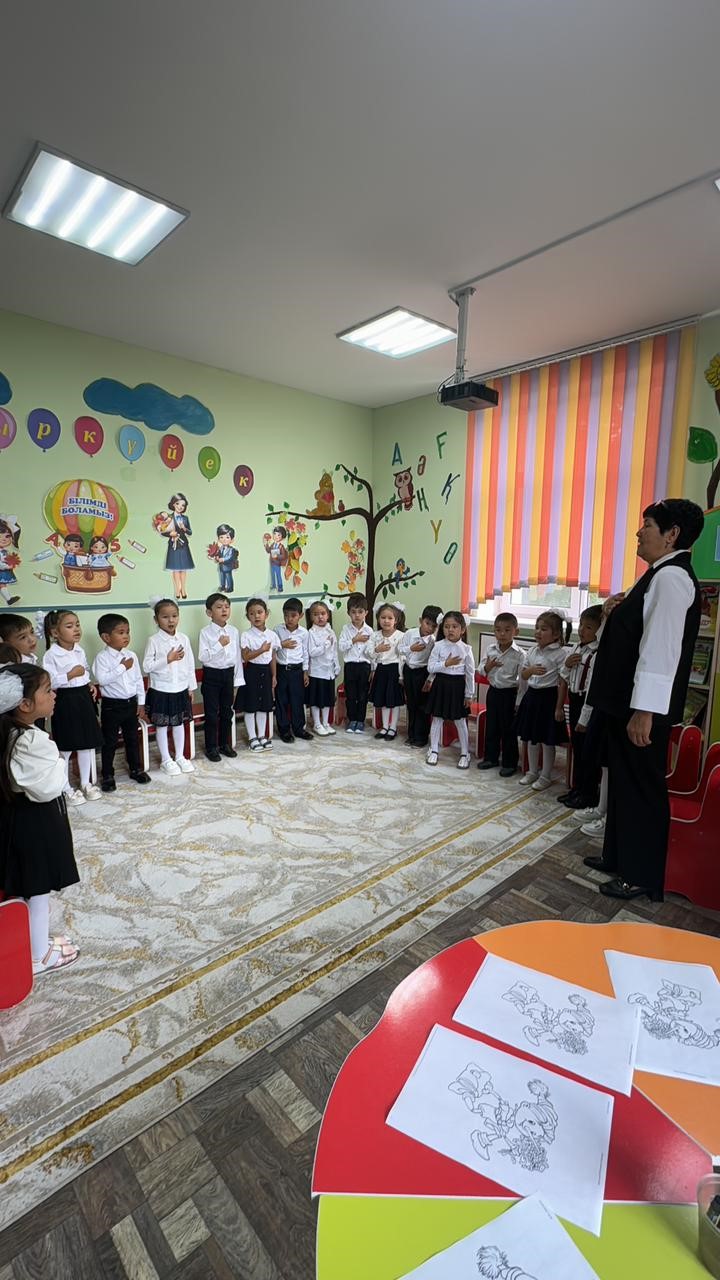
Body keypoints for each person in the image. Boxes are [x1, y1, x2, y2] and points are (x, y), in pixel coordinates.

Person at [584, 498, 704, 902]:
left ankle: (640, 875)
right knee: (623, 782)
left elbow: (660, 649)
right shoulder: (655, 574)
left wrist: (645, 711)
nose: (639, 532)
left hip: (641, 709)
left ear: (672, 534)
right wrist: (611, 611)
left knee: (640, 788)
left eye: (648, 525)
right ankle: (618, 857)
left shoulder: (672, 578)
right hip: (624, 702)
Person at [0, 664, 80, 974]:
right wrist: (58, 761)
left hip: (17, 821)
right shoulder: (30, 741)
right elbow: (49, 787)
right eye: (47, 690)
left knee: (27, 884)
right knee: (37, 888)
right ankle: (39, 956)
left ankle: (34, 942)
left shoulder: (10, 733)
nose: (53, 694)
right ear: (24, 704)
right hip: (35, 824)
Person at [43, 609, 103, 805]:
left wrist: (89, 684)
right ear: (55, 632)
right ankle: (66, 787)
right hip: (64, 701)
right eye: (69, 626)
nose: (76, 629)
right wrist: (69, 675)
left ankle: (85, 783)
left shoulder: (79, 649)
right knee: (66, 746)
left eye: (77, 624)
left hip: (82, 698)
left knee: (86, 743)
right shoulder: (51, 655)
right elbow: (50, 681)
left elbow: (84, 670)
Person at [93, 613, 151, 790]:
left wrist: (141, 703)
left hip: (130, 704)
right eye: (121, 632)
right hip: (112, 706)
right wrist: (122, 667)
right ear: (106, 637)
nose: (126, 636)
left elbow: (138, 680)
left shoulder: (131, 655)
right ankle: (107, 775)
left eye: (127, 632)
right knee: (109, 741)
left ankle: (135, 769)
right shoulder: (102, 658)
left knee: (132, 738)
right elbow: (103, 680)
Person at [515, 611, 571, 791]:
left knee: (547, 741)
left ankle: (546, 775)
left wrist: (559, 708)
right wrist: (531, 670)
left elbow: (562, 683)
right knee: (532, 739)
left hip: (549, 699)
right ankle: (532, 771)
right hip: (532, 698)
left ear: (556, 634)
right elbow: (523, 675)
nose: (538, 632)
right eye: (537, 628)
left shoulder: (560, 654)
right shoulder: (532, 651)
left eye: (544, 629)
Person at [142, 599, 197, 775]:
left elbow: (189, 664)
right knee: (162, 725)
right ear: (156, 619)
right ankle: (166, 759)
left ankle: (180, 756)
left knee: (179, 723)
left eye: (174, 616)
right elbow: (147, 666)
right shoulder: (153, 640)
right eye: (165, 617)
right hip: (161, 690)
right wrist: (167, 659)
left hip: (180, 689)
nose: (171, 620)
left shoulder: (184, 639)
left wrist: (190, 687)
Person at [555, 605, 603, 807]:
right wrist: (567, 665)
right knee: (576, 747)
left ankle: (588, 793)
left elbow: (593, 690)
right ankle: (577, 788)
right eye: (581, 625)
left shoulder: (598, 653)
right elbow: (563, 676)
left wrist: (584, 719)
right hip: (574, 701)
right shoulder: (576, 647)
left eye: (589, 627)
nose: (582, 630)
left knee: (588, 752)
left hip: (587, 705)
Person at [424, 610, 475, 769]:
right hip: (441, 685)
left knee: (460, 720)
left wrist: (469, 694)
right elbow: (431, 667)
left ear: (462, 629)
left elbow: (470, 673)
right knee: (437, 718)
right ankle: (434, 749)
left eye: (454, 626)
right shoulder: (438, 646)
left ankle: (465, 753)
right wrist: (446, 663)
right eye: (446, 626)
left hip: (457, 687)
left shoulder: (466, 649)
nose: (450, 630)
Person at [198, 592, 243, 762]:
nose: (224, 610)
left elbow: (237, 657)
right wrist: (219, 644)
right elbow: (203, 657)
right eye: (219, 607)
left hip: (228, 674)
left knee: (227, 712)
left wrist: (237, 680)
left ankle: (224, 744)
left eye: (227, 606)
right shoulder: (205, 632)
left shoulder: (233, 631)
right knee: (211, 714)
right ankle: (211, 747)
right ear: (209, 612)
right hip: (212, 675)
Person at [478, 612, 523, 776]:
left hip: (509, 694)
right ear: (494, 631)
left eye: (507, 630)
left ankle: (510, 763)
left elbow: (522, 682)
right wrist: (488, 666)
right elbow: (480, 670)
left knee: (508, 729)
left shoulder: (520, 654)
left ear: (516, 632)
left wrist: (518, 702)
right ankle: (491, 758)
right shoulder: (490, 649)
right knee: (492, 726)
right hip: (493, 692)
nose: (502, 634)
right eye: (498, 630)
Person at [400, 604, 442, 747]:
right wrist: (411, 648)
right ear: (420, 620)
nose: (429, 628)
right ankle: (411, 735)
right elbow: (399, 649)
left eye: (433, 626)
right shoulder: (410, 633)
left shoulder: (434, 642)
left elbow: (434, 662)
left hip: (423, 672)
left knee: (422, 706)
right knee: (411, 704)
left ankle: (421, 737)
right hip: (408, 670)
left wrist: (430, 680)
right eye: (427, 623)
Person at [241, 597, 281, 750]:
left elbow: (272, 656)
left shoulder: (272, 635)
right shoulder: (246, 635)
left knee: (264, 706)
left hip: (266, 672)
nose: (256, 616)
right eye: (252, 614)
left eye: (260, 612)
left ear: (266, 614)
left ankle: (262, 736)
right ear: (248, 617)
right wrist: (261, 650)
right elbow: (246, 656)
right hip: (252, 672)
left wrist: (274, 675)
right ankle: (252, 737)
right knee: (251, 706)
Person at [275, 596, 312, 743]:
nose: (289, 619)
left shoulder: (304, 633)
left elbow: (306, 653)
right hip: (282, 670)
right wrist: (281, 644)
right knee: (281, 700)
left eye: (293, 615)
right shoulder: (278, 629)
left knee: (297, 700)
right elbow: (272, 648)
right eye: (286, 615)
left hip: (297, 671)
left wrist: (305, 672)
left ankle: (298, 728)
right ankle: (284, 730)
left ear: (300, 615)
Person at [368, 604, 405, 740]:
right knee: (383, 700)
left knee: (393, 701)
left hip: (394, 671)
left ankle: (393, 728)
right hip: (381, 670)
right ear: (378, 619)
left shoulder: (401, 636)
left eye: (390, 618)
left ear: (396, 620)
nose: (386, 621)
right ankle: (384, 727)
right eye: (383, 617)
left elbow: (402, 657)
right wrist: (377, 649)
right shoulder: (375, 635)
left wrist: (401, 675)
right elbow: (369, 653)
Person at [339, 593, 374, 734]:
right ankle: (352, 719)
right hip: (351, 666)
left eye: (360, 612)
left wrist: (373, 669)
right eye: (353, 612)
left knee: (363, 695)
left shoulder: (369, 631)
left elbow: (372, 652)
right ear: (348, 613)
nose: (357, 615)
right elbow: (341, 647)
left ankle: (360, 720)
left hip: (364, 667)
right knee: (351, 695)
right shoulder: (345, 629)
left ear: (366, 613)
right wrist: (354, 640)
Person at [305, 600, 340, 736]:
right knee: (316, 699)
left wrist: (336, 665)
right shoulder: (311, 633)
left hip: (328, 671)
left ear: (328, 615)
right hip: (316, 671)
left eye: (323, 614)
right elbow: (312, 652)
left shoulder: (331, 631)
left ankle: (325, 722)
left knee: (327, 699)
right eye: (316, 614)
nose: (320, 617)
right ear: (311, 617)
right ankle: (317, 723)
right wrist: (325, 645)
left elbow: (334, 651)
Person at [160, 493, 194, 600]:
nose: (180, 507)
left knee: (183, 568)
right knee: (175, 569)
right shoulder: (168, 518)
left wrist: (184, 528)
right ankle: (177, 590)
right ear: (173, 504)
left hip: (183, 544)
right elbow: (163, 531)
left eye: (183, 505)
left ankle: (183, 589)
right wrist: (170, 534)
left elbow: (190, 532)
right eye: (178, 504)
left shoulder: (185, 518)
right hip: (173, 544)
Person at [0, 517, 21, 605]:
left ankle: (9, 599)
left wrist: (11, 561)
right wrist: (7, 566)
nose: (4, 539)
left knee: (2, 584)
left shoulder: (5, 551)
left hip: (4, 570)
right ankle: (9, 599)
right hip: (2, 569)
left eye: (7, 536)